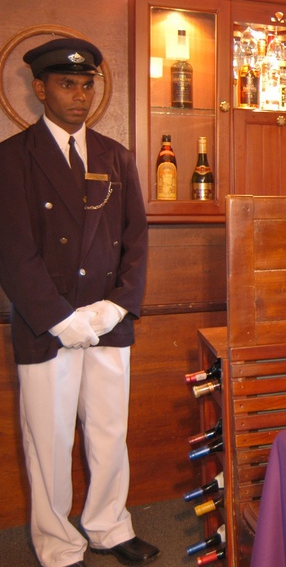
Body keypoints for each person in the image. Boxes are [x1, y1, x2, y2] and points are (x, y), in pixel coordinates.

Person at [0, 38, 158, 567]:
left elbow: (135, 238)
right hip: (50, 326)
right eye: (67, 84)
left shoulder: (116, 156)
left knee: (109, 431)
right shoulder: (13, 158)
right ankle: (57, 543)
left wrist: (118, 306)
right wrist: (60, 319)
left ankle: (109, 526)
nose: (79, 95)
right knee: (47, 441)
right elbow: (14, 250)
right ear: (40, 88)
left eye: (86, 85)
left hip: (106, 321)